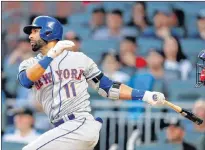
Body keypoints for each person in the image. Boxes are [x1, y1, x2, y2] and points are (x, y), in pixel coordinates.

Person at [18, 16, 166, 150]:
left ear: (48, 33)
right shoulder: (30, 63)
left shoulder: (79, 59)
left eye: (35, 31)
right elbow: (26, 80)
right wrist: (50, 55)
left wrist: (145, 95)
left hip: (79, 124)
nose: (30, 36)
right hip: (61, 130)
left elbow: (108, 88)